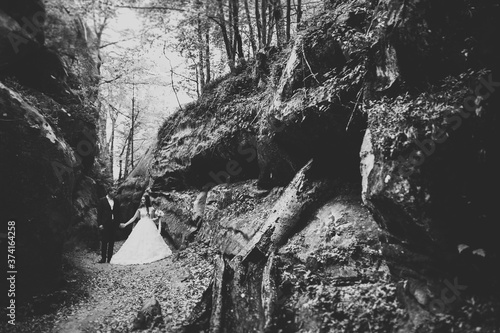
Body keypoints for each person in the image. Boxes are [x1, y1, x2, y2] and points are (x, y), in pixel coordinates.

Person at [110, 194, 172, 265]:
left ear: (146, 200)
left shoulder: (151, 209)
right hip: (141, 225)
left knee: (150, 240)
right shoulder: (139, 209)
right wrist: (125, 224)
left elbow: (152, 219)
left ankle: (150, 253)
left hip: (149, 225)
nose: (142, 201)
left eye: (143, 200)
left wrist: (158, 217)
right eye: (141, 200)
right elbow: (133, 218)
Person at [97, 186, 122, 263]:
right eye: (113, 191)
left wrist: (118, 223)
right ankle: (103, 258)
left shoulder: (116, 201)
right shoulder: (102, 200)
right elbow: (99, 213)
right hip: (105, 224)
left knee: (112, 242)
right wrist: (100, 224)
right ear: (109, 192)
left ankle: (110, 258)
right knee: (104, 241)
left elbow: (118, 213)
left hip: (113, 224)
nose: (115, 193)